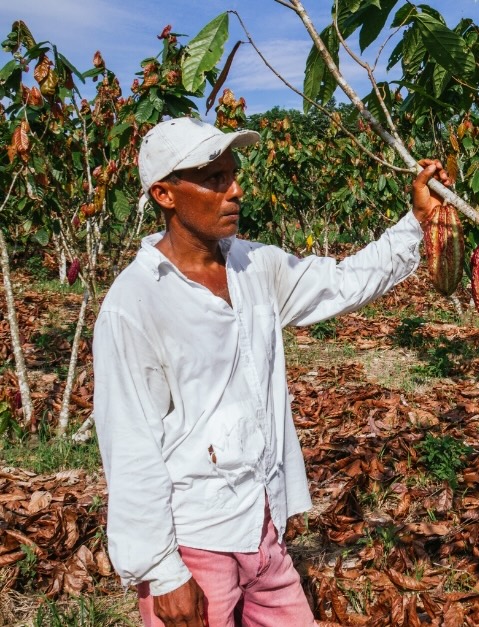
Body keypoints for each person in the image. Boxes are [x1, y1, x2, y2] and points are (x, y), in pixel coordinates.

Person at [92, 116, 449, 627]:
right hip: (195, 538)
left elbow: (341, 283)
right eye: (214, 180)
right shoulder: (136, 302)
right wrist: (162, 571)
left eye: (233, 175)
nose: (234, 190)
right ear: (164, 194)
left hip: (262, 526)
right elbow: (129, 444)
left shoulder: (254, 266)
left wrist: (414, 222)